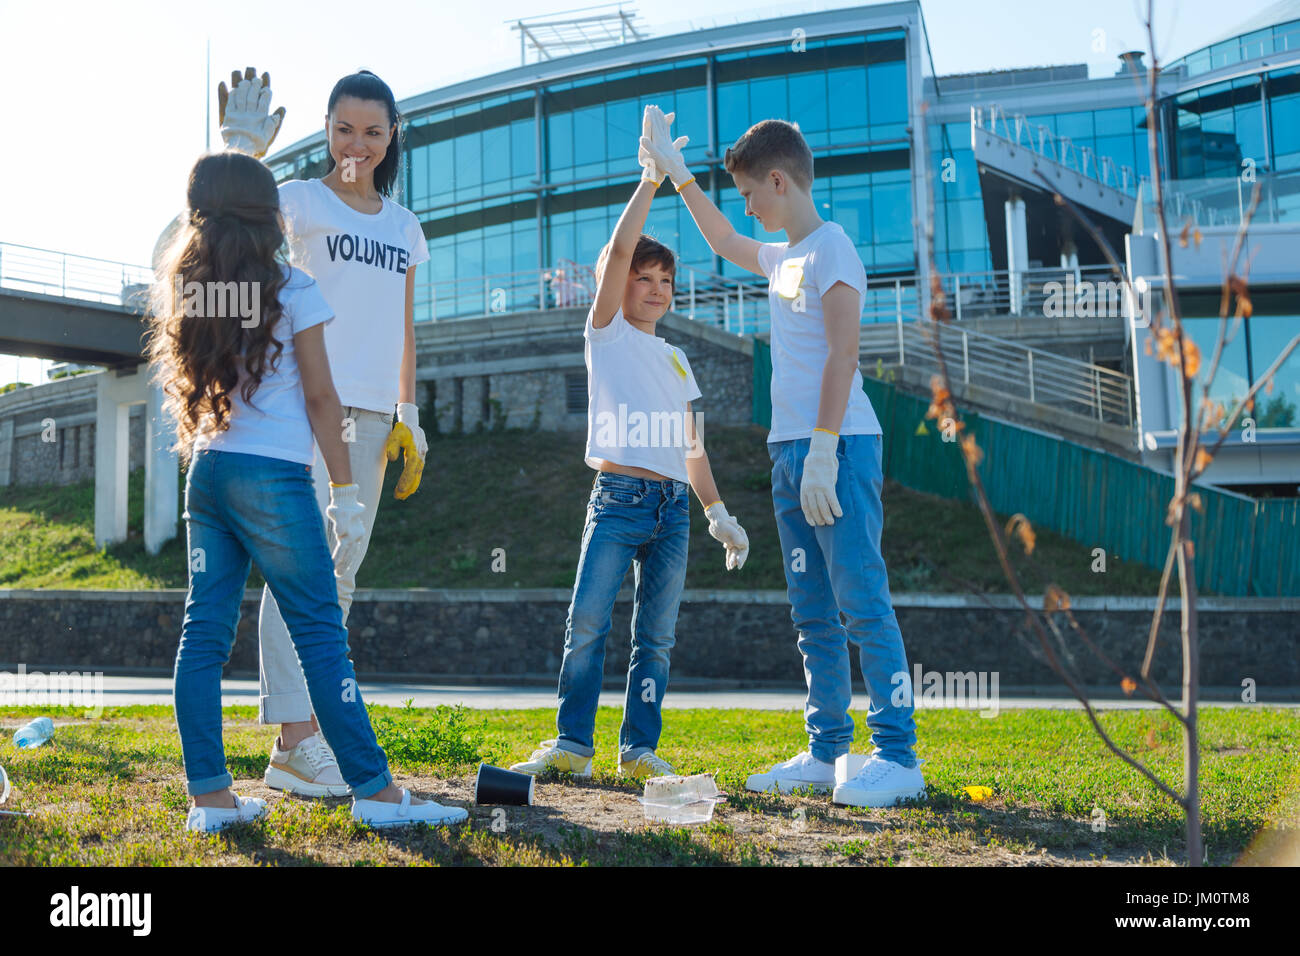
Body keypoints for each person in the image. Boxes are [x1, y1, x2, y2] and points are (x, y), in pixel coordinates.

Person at [148, 150, 466, 831]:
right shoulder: (295, 289)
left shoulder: (193, 289)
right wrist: (345, 493)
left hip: (208, 474)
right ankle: (377, 794)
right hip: (275, 480)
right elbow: (324, 400)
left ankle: (211, 801)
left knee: (201, 638)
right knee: (321, 634)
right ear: (272, 218)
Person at [640, 107, 925, 807]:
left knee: (861, 603)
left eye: (749, 193)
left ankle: (898, 756)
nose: (746, 206)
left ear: (777, 180)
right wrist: (678, 177)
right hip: (789, 453)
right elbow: (724, 237)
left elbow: (844, 355)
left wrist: (826, 451)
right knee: (813, 613)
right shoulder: (782, 258)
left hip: (840, 447)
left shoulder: (833, 249)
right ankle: (829, 752)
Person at [510, 108, 750, 781]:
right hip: (618, 498)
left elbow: (694, 446)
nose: (653, 289)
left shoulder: (678, 360)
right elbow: (618, 252)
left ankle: (639, 749)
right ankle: (572, 746)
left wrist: (716, 513)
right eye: (642, 279)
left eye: (664, 282)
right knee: (587, 623)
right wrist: (650, 179)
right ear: (620, 288)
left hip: (674, 508)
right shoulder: (606, 334)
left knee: (657, 640)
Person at [217, 68, 429, 797]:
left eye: (372, 131)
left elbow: (402, 326)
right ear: (327, 128)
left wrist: (409, 412)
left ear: (392, 135)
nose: (356, 144)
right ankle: (295, 740)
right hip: (306, 407)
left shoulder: (404, 227)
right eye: (343, 129)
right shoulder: (300, 201)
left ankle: (306, 732)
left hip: (373, 418)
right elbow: (230, 230)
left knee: (338, 578)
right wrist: (245, 153)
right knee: (299, 571)